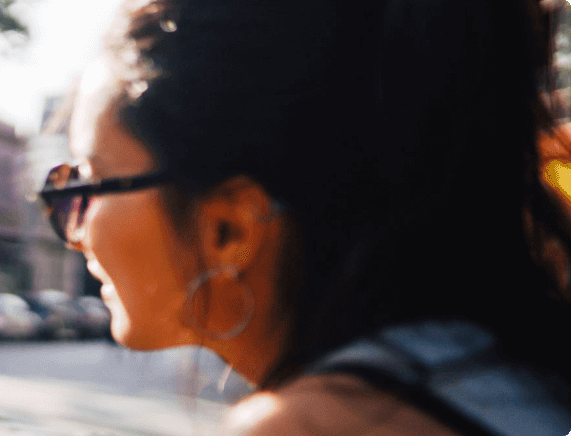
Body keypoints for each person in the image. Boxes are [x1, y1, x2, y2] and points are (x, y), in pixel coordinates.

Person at [40, 0, 571, 434]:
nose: (75, 231)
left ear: (231, 229)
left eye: (87, 182)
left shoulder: (314, 426)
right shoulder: (504, 371)